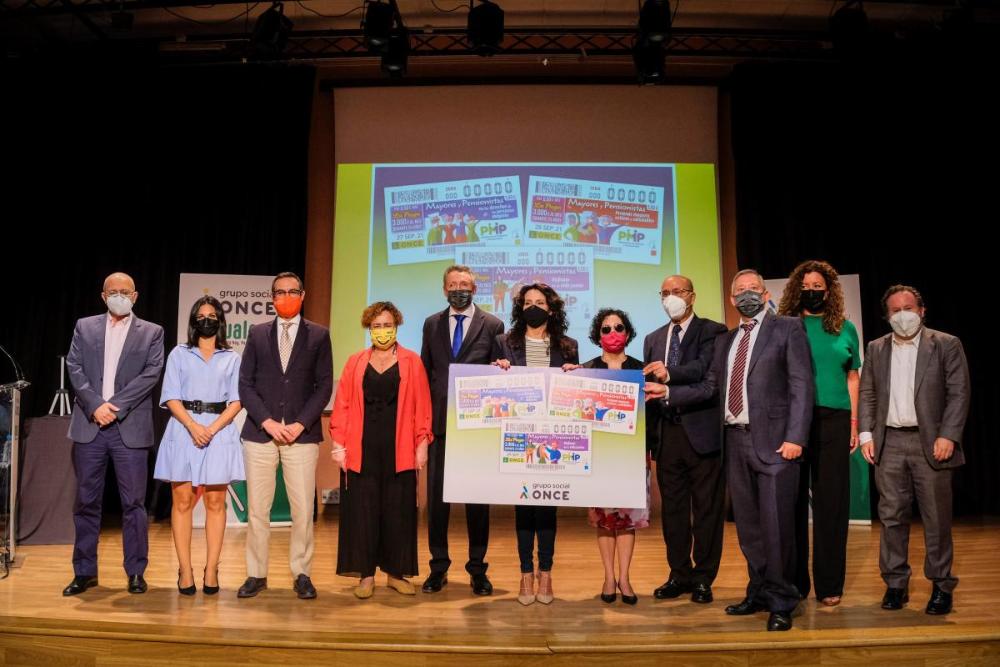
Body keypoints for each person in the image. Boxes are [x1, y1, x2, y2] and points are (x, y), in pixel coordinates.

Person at [648, 269, 813, 631]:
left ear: (766, 294)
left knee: (777, 527)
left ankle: (782, 600)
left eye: (753, 289)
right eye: (739, 291)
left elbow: (802, 384)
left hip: (775, 443)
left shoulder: (787, 329)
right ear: (731, 299)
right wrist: (670, 393)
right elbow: (709, 387)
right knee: (750, 528)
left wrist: (796, 437)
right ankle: (758, 591)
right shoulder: (727, 340)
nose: (746, 295)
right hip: (734, 442)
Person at [859, 285, 970, 615]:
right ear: (887, 316)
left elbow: (959, 393)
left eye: (909, 307)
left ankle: (940, 585)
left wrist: (948, 435)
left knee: (936, 518)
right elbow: (867, 393)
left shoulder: (946, 344)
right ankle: (896, 584)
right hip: (889, 442)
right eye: (895, 310)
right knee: (891, 516)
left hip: (931, 442)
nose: (903, 314)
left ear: (922, 310)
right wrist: (867, 435)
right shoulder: (877, 348)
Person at [63, 272, 165, 597]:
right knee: (86, 502)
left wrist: (115, 406)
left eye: (125, 291)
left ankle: (135, 572)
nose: (119, 295)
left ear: (135, 297)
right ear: (103, 296)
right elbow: (74, 367)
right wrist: (95, 405)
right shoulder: (84, 326)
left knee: (134, 504)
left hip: (129, 428)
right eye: (113, 291)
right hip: (90, 425)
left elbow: (151, 373)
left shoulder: (152, 332)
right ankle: (84, 572)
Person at [236, 272, 333, 600]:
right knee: (257, 509)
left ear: (303, 295)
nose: (286, 297)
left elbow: (324, 386)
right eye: (280, 292)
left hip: (301, 436)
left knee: (303, 510)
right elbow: (245, 384)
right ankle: (256, 573)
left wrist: (300, 423)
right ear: (272, 297)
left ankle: (302, 572)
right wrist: (266, 421)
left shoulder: (319, 336)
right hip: (260, 434)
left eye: (292, 291)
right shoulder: (257, 333)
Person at [330, 301, 433, 599]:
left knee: (398, 512)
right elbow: (343, 405)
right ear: (369, 329)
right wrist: (338, 444)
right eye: (377, 326)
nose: (382, 331)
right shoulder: (355, 362)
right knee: (362, 512)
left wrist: (422, 444)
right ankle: (365, 575)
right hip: (361, 449)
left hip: (399, 449)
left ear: (396, 326)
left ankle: (396, 573)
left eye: (387, 325)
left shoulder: (412, 362)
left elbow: (423, 407)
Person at [777, 260, 861, 607]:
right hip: (793, 421)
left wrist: (855, 424)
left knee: (832, 506)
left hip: (835, 420)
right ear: (797, 289)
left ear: (829, 292)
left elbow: (853, 376)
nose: (811, 291)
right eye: (806, 286)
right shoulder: (783, 326)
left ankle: (829, 584)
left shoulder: (845, 327)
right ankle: (796, 583)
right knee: (793, 504)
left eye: (818, 287)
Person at [492, 283, 579, 606]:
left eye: (539, 302)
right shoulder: (504, 343)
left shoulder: (568, 346)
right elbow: (492, 389)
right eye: (527, 302)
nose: (533, 307)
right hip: (518, 436)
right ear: (519, 308)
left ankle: (547, 573)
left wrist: (576, 374)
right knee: (524, 507)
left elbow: (574, 391)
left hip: (554, 435)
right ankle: (525, 574)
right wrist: (496, 370)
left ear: (551, 309)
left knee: (546, 507)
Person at [420, 265, 505, 595]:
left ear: (475, 288)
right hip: (439, 425)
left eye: (465, 284)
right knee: (437, 503)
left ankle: (477, 569)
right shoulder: (431, 324)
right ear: (444, 289)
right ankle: (438, 567)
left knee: (476, 502)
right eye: (453, 284)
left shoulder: (494, 325)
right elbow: (427, 373)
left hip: (477, 427)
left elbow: (500, 375)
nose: (459, 289)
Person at [643, 274, 727, 605]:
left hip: (702, 434)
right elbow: (647, 393)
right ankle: (679, 573)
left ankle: (704, 577)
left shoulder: (713, 331)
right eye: (664, 293)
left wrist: (669, 377)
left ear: (691, 296)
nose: (670, 298)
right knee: (674, 513)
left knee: (706, 511)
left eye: (676, 292)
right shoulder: (652, 338)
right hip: (667, 435)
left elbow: (707, 373)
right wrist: (647, 442)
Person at [154, 296, 244, 596]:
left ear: (220, 320)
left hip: (219, 432)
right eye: (201, 315)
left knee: (216, 503)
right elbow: (170, 396)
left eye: (212, 315)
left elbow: (236, 401)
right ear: (193, 321)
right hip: (183, 430)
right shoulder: (179, 354)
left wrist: (212, 429)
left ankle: (211, 568)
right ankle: (185, 569)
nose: (207, 319)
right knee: (181, 503)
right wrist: (193, 426)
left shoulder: (232, 357)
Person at [573, 308, 648, 605]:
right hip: (599, 455)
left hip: (632, 454)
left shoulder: (642, 369)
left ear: (627, 332)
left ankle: (625, 578)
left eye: (618, 327)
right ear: (597, 335)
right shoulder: (586, 369)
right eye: (606, 329)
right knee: (605, 521)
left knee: (627, 520)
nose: (612, 333)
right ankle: (608, 577)